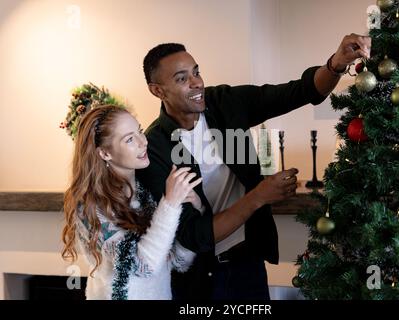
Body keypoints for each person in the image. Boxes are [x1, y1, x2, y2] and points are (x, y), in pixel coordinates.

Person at [137, 34, 371, 300]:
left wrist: (336, 63)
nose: (196, 83)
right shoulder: (154, 148)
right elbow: (194, 235)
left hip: (247, 263)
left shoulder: (225, 103)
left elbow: (298, 91)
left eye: (196, 72)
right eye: (182, 78)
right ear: (157, 90)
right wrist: (260, 195)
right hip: (198, 280)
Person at [61, 104, 203, 300]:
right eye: (129, 139)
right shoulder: (89, 207)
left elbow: (178, 262)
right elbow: (142, 266)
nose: (143, 142)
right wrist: (170, 204)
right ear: (104, 153)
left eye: (140, 131)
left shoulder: (148, 192)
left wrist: (194, 209)